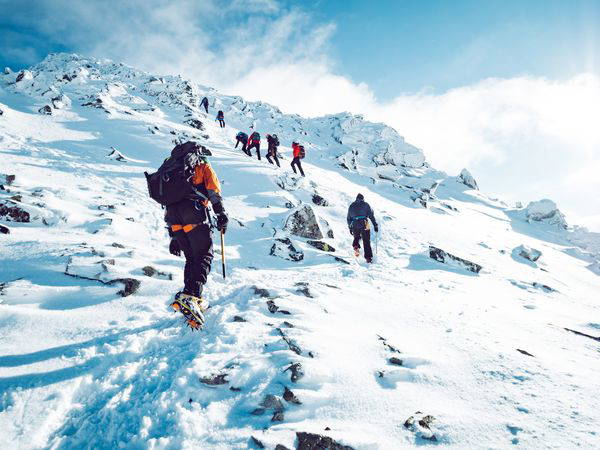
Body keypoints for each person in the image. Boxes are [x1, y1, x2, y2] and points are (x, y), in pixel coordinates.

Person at [164, 142, 229, 328]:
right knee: (204, 255)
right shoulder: (202, 166)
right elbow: (213, 191)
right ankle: (192, 297)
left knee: (192, 258)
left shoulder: (172, 170)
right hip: (193, 213)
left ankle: (188, 295)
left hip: (173, 218)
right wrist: (221, 214)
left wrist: (174, 236)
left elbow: (169, 201)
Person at [347, 193, 378, 263]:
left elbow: (349, 218)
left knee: (356, 237)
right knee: (366, 240)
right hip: (364, 222)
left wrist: (350, 227)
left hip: (355, 223)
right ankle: (368, 258)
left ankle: (356, 247)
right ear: (363, 199)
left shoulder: (352, 205)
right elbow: (371, 215)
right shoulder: (366, 204)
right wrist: (375, 225)